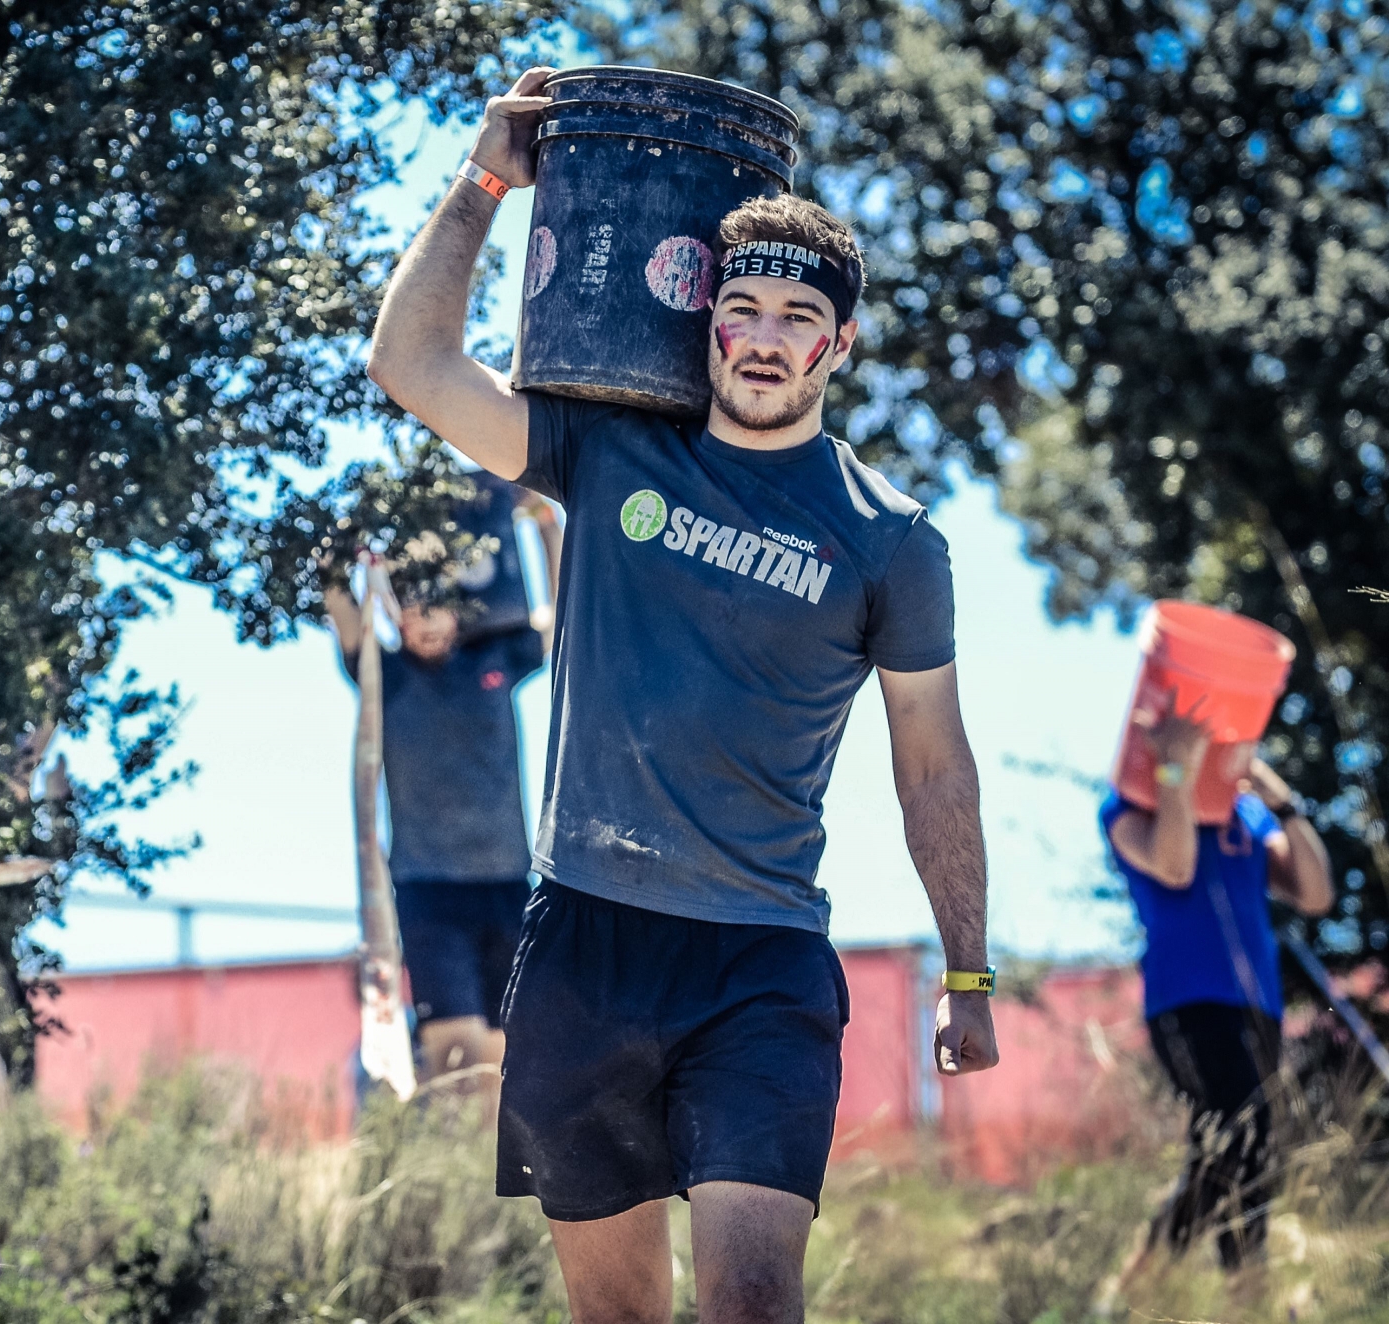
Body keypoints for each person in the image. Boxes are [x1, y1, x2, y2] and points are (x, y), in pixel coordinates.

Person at [366, 65, 999, 1324]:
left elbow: (930, 761)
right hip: (583, 945)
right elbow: (412, 360)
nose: (763, 338)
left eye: (793, 319)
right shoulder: (605, 451)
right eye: (742, 309)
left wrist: (966, 971)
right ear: (706, 319)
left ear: (838, 344)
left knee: (752, 1304)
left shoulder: (889, 541)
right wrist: (487, 176)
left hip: (758, 959)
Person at [1099, 707, 1333, 1276]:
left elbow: (1316, 894)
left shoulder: (1247, 815)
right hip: (1186, 1002)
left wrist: (1280, 800)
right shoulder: (1127, 806)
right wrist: (1173, 771)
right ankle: (1244, 1289)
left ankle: (1143, 1278)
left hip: (1258, 1006)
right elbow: (1174, 867)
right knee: (1241, 1135)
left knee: (1236, 1144)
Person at [323, 552, 548, 1094]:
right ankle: (448, 1162)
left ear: (458, 612)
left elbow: (565, 607)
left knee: (508, 1058)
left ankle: (490, 1176)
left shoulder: (498, 659)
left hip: (508, 884)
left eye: (436, 608)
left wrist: (544, 520)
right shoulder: (388, 675)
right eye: (412, 609)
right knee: (456, 1055)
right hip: (430, 889)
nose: (424, 620)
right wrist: (338, 555)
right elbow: (341, 606)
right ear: (397, 615)